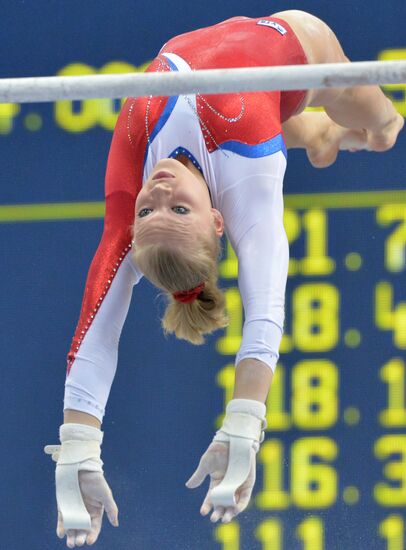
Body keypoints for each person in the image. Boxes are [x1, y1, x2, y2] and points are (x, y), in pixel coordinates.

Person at [44, 9, 403, 548]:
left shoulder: (135, 160)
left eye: (147, 212)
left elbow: (97, 326)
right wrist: (243, 423)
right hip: (299, 52)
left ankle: (322, 139)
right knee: (382, 124)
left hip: (257, 103)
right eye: (178, 211)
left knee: (312, 132)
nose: (158, 190)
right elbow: (265, 305)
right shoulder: (248, 168)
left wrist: (78, 447)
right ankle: (341, 132)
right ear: (218, 220)